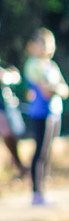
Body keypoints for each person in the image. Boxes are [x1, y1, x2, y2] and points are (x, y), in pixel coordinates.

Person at [22, 27, 69, 205]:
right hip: (40, 114)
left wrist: (55, 88)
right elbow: (47, 91)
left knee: (48, 153)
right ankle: (36, 192)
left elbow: (65, 90)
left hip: (55, 114)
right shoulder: (33, 65)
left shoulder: (52, 66)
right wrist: (55, 88)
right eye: (43, 44)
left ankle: (43, 190)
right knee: (40, 152)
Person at [0, 28, 28, 179]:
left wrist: (8, 76)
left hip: (4, 103)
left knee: (11, 133)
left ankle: (18, 165)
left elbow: (14, 74)